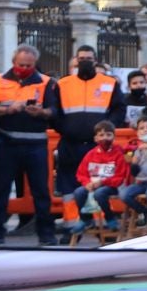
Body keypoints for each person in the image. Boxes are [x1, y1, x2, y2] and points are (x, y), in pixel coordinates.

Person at [0, 44, 60, 246]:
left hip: (35, 144)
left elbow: (55, 110)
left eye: (28, 65)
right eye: (20, 64)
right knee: (0, 189)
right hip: (6, 142)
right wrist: (6, 110)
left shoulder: (46, 82)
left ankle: (46, 234)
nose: (24, 68)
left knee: (40, 191)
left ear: (35, 64)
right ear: (13, 62)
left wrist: (41, 113)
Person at [55, 46, 126, 220]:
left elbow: (119, 108)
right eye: (81, 59)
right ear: (75, 60)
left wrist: (108, 128)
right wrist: (65, 128)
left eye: (88, 58)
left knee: (98, 182)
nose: (85, 61)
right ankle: (72, 225)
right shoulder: (63, 84)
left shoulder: (109, 83)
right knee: (69, 186)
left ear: (95, 60)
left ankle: (98, 224)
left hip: (98, 145)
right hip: (70, 142)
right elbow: (54, 111)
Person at [70, 120, 130, 235]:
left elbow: (120, 177)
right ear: (95, 138)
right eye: (101, 135)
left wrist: (102, 182)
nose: (105, 138)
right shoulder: (90, 154)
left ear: (114, 136)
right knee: (78, 192)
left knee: (100, 193)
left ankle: (110, 218)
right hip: (92, 184)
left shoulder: (119, 154)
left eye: (108, 135)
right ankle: (86, 218)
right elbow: (81, 173)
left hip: (111, 186)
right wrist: (87, 183)